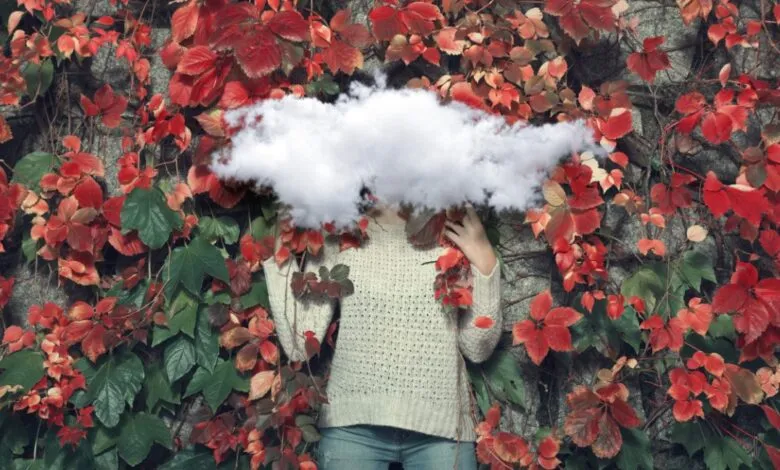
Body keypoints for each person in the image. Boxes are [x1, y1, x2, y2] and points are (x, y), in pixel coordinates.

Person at [262, 200, 502, 470]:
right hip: (352, 429)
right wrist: (279, 244)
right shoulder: (340, 227)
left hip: (441, 431)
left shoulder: (450, 225)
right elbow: (298, 344)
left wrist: (484, 257)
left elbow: (477, 348)